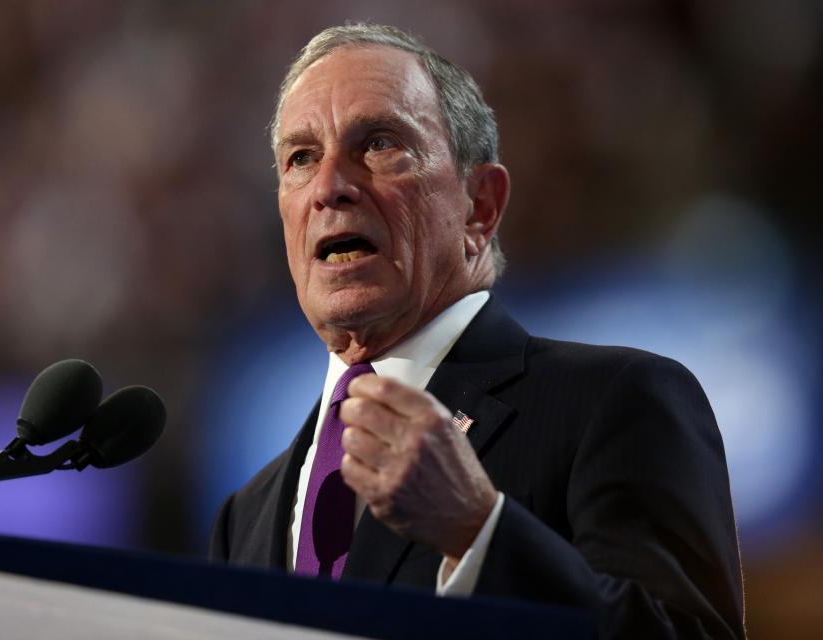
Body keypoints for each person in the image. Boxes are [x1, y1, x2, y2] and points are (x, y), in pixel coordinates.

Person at [210, 23, 744, 638]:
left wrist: (478, 534)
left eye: (379, 144)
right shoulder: (244, 517)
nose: (330, 186)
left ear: (479, 206)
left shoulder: (619, 400)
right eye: (301, 158)